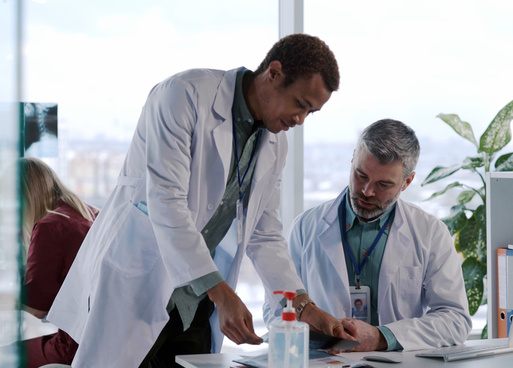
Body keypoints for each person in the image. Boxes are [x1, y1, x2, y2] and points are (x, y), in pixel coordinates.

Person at [47, 33, 347, 368]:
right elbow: (166, 201)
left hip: (197, 303)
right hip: (140, 280)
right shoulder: (183, 95)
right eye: (300, 104)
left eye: (311, 112)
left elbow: (266, 234)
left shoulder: (275, 145)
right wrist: (222, 293)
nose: (300, 120)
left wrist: (303, 305)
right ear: (274, 73)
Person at [263, 119, 471, 352]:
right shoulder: (305, 228)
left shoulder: (430, 233)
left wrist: (382, 337)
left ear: (407, 182)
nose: (367, 191)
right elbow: (274, 309)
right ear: (352, 158)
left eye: (383, 184)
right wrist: (309, 325)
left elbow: (455, 320)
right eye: (361, 175)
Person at [19, 157, 98, 368]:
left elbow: (35, 309)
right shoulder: (89, 214)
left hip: (72, 347)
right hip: (100, 339)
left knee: (8, 352)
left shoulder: (49, 227)